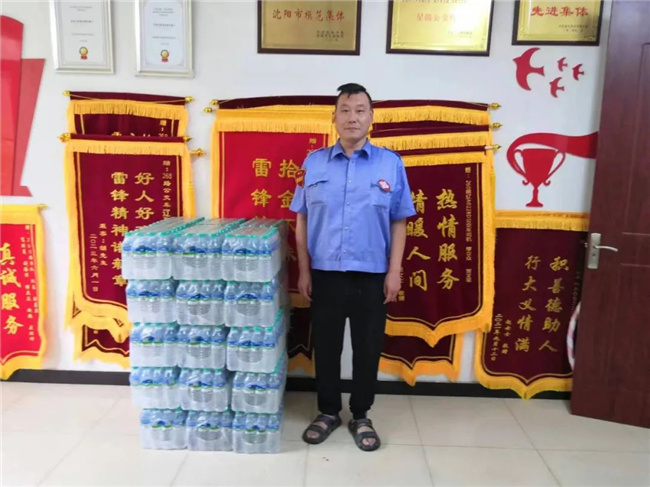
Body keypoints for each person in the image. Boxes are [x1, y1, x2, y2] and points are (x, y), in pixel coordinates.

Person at [289, 83, 416, 452]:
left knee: (367, 347)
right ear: (334, 118)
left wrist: (394, 272)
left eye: (360, 110)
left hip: (372, 274)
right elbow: (301, 218)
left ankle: (361, 414)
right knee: (327, 347)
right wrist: (304, 270)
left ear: (371, 118)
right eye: (345, 110)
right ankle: (328, 411)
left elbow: (399, 221)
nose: (352, 117)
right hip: (325, 273)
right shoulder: (313, 163)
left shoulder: (390, 163)